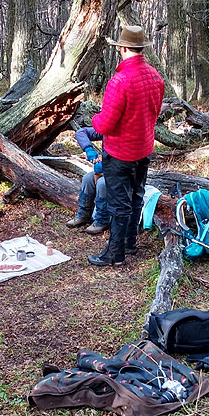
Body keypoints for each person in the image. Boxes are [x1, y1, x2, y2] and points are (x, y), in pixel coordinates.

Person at [87, 25, 164, 267]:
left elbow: (105, 125)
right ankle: (129, 242)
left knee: (119, 203)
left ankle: (115, 253)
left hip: (120, 152)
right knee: (136, 197)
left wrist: (94, 120)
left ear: (122, 48)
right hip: (143, 149)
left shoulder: (120, 80)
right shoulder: (154, 76)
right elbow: (154, 112)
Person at [65, 126, 109, 235]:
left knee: (102, 184)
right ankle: (84, 214)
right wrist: (88, 149)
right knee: (88, 179)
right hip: (108, 169)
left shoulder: (125, 134)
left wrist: (106, 164)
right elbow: (81, 132)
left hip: (123, 173)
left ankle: (102, 220)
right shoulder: (107, 129)